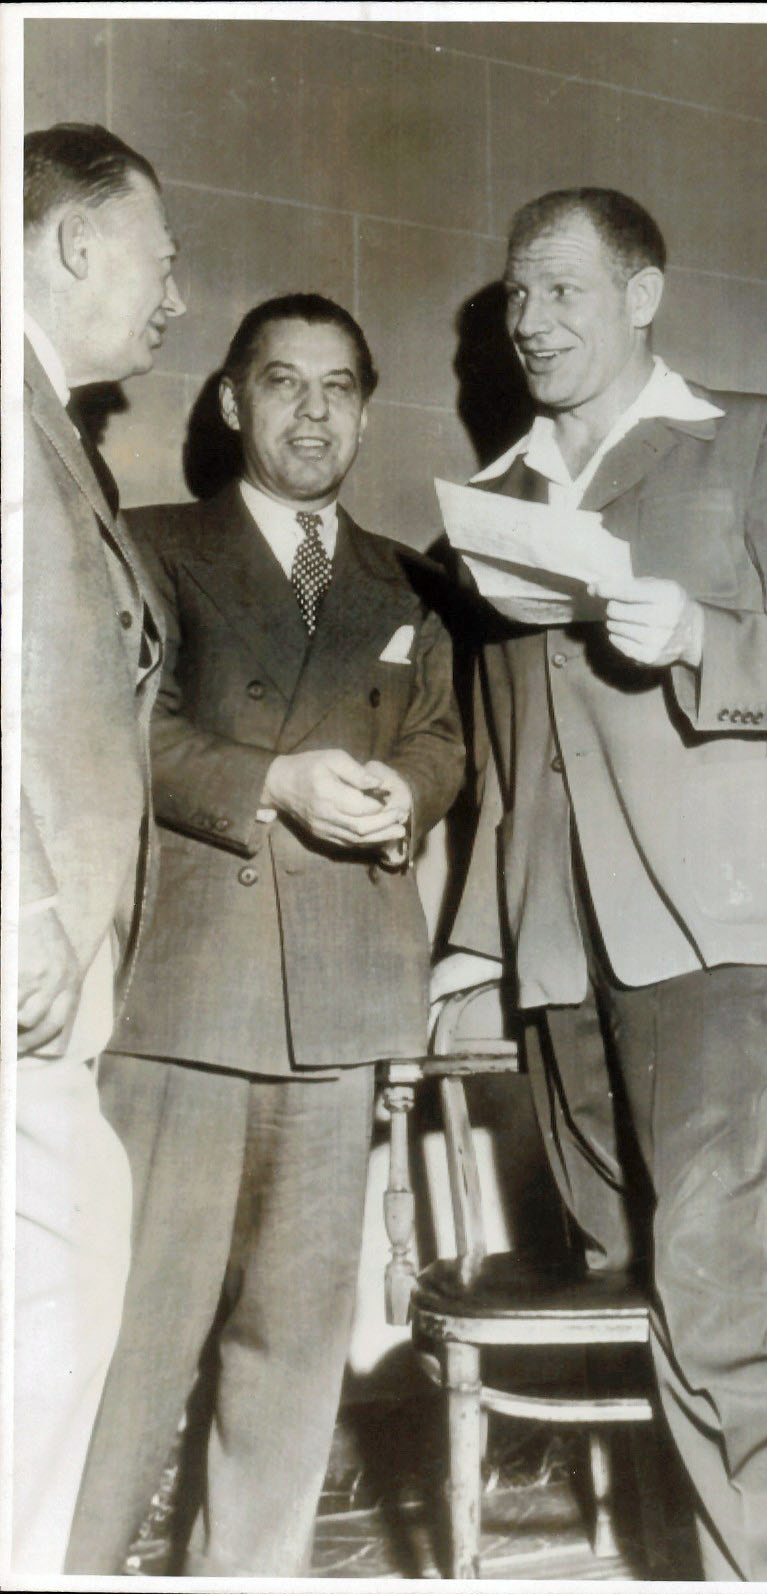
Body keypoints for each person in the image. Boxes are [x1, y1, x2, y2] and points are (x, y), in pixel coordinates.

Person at [439, 187, 767, 1581]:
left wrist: (699, 631)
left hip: (711, 928)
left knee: (714, 1272)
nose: (532, 320)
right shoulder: (496, 499)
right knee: (622, 1268)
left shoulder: (755, 439)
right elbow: (509, 751)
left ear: (643, 294)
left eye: (564, 288)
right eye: (517, 295)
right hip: (557, 946)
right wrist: (474, 945)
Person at [64, 294, 465, 1575]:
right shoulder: (149, 546)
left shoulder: (406, 580)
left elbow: (442, 738)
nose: (310, 411)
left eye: (338, 386)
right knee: (136, 1337)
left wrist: (412, 792)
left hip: (343, 996)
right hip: (190, 993)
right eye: (281, 383)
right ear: (231, 401)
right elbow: (117, 731)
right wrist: (274, 784)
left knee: (294, 1346)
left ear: (364, 407)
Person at [15, 123, 184, 1574]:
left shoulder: (47, 423)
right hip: (25, 962)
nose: (172, 299)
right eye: (160, 257)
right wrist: (19, 912)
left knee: (60, 1297)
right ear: (75, 242)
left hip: (62, 963)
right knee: (54, 1300)